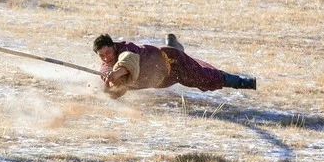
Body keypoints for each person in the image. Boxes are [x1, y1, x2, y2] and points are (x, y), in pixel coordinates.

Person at [93, 33, 256, 99]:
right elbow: (114, 90)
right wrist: (108, 84)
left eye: (108, 52)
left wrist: (117, 73)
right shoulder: (106, 67)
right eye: (102, 56)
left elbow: (127, 61)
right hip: (161, 80)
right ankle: (174, 45)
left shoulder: (127, 49)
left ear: (113, 46)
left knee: (207, 77)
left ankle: (244, 82)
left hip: (171, 62)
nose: (106, 57)